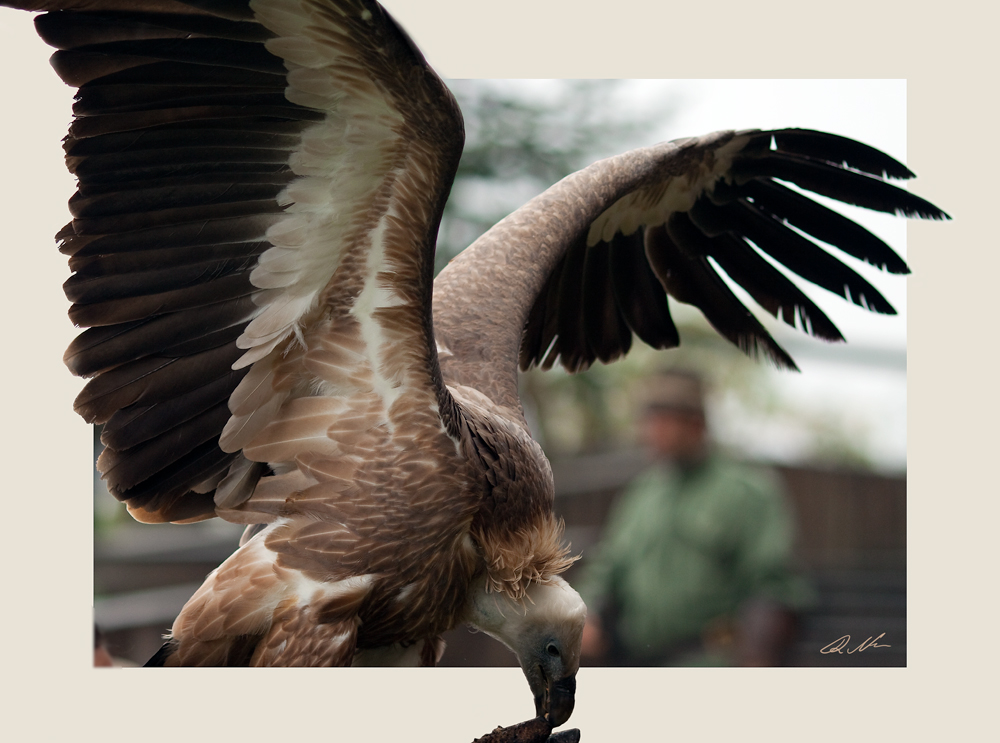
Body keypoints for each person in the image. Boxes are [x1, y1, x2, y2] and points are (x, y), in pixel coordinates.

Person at [576, 369, 813, 666]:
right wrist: (586, 613)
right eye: (649, 421)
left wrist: (755, 659)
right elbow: (607, 566)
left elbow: (775, 588)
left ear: (695, 425)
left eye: (664, 422)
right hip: (638, 661)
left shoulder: (745, 492)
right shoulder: (642, 494)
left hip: (709, 662)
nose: (652, 432)